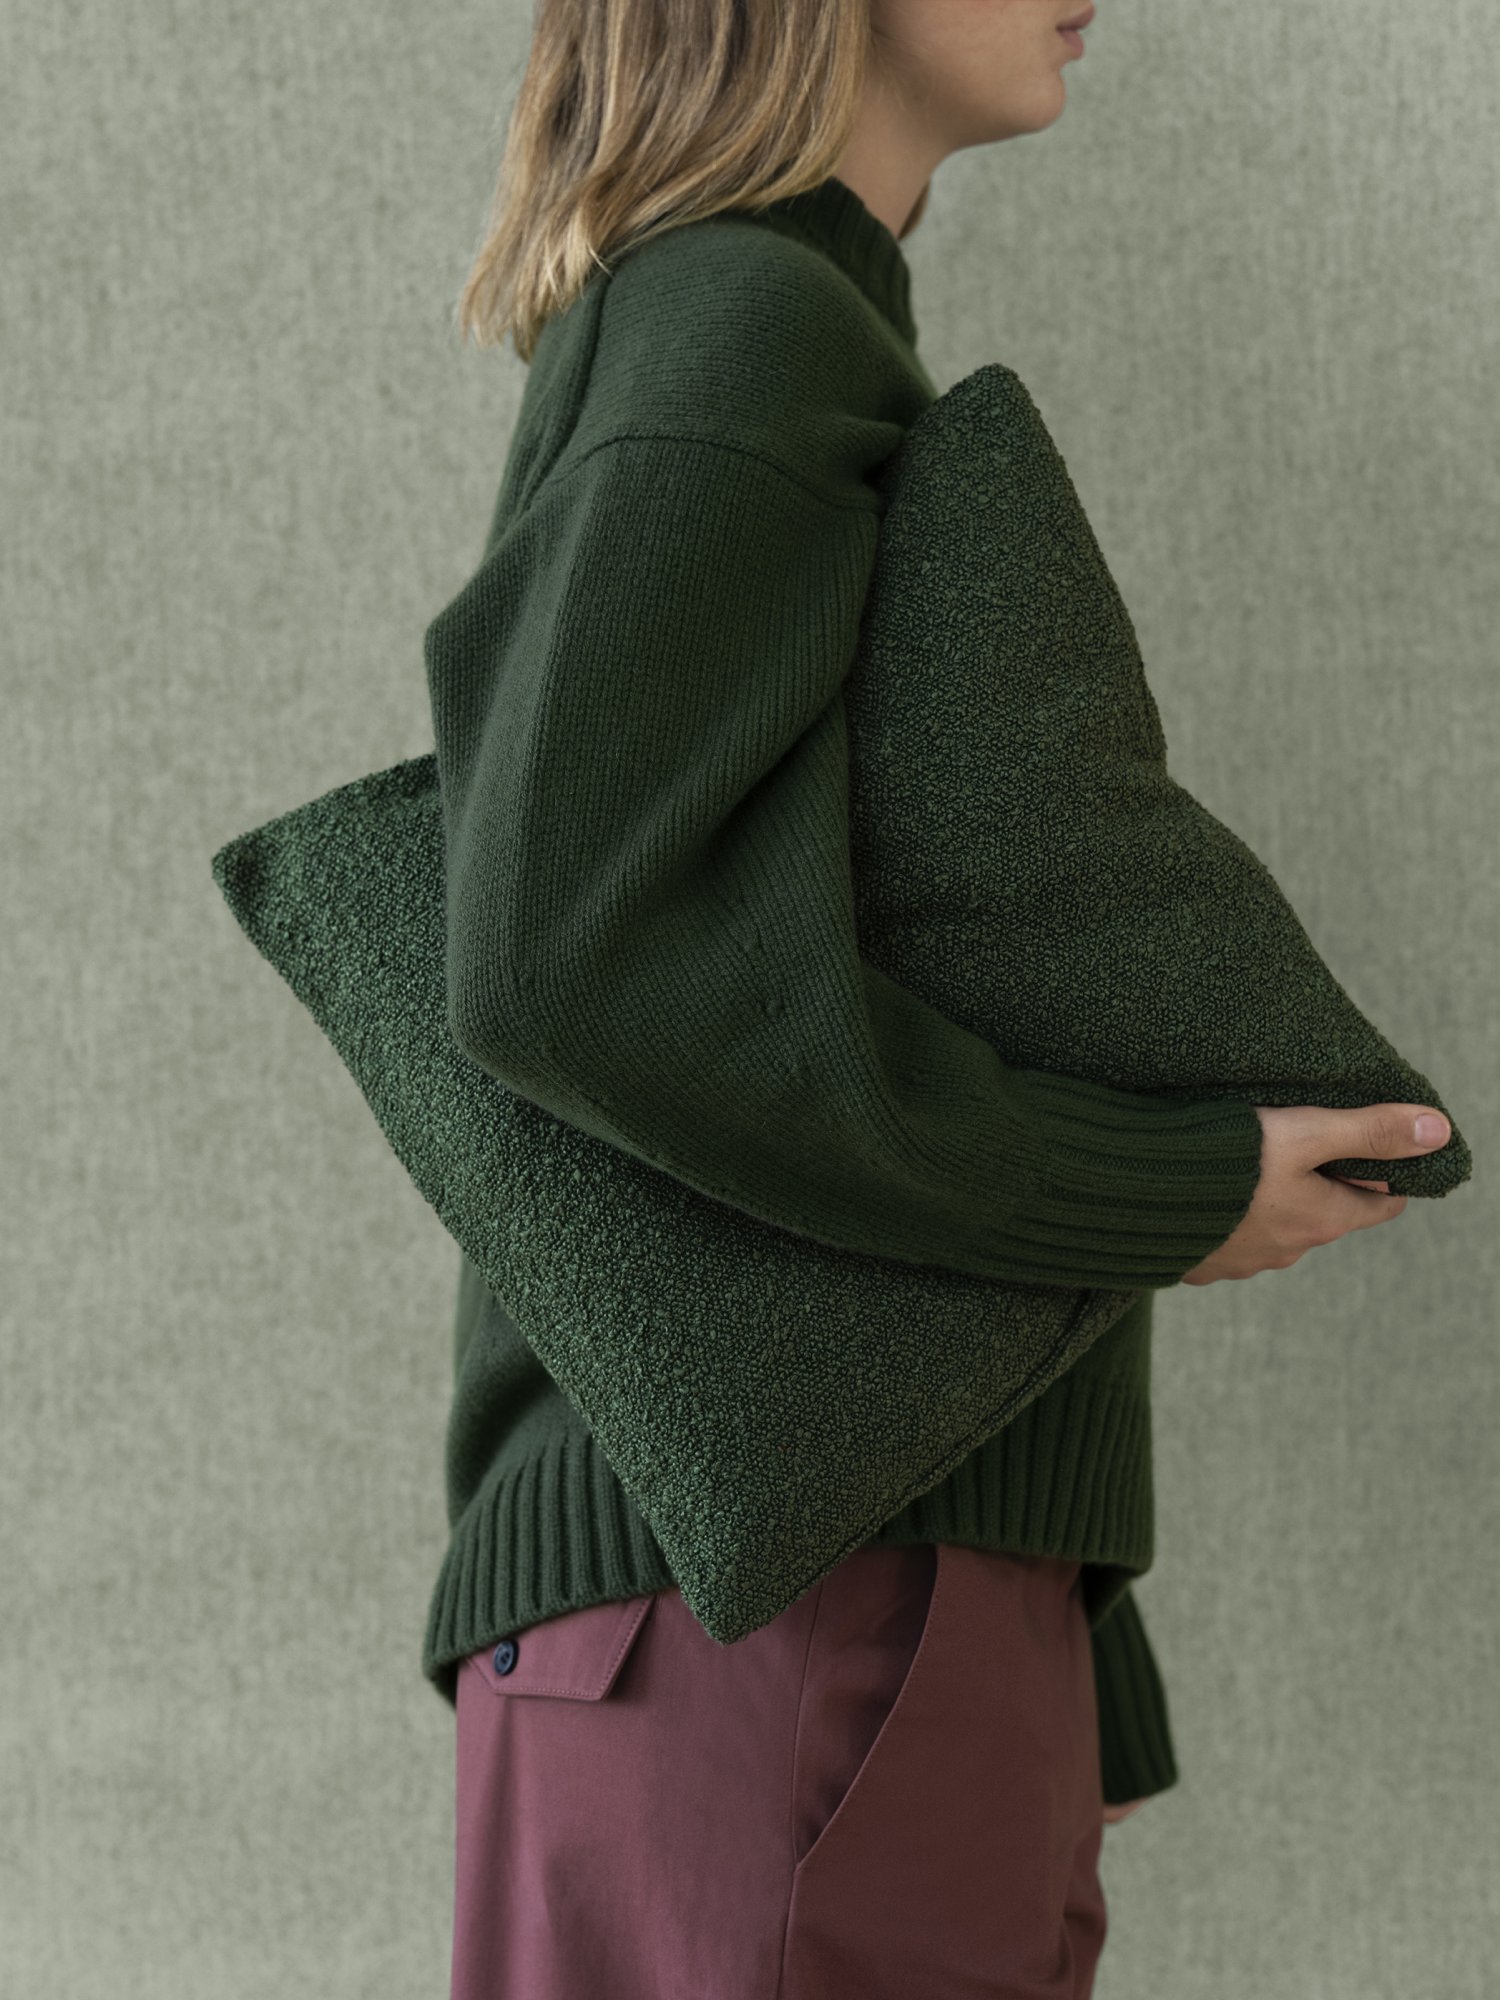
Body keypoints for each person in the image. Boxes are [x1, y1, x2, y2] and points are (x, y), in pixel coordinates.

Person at [422, 2, 1452, 1993]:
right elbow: (572, 967)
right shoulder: (742, 321)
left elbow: (840, 977)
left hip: (809, 1620)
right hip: (785, 1632)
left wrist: (1068, 1616)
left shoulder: (769, 320)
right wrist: (1153, 1189)